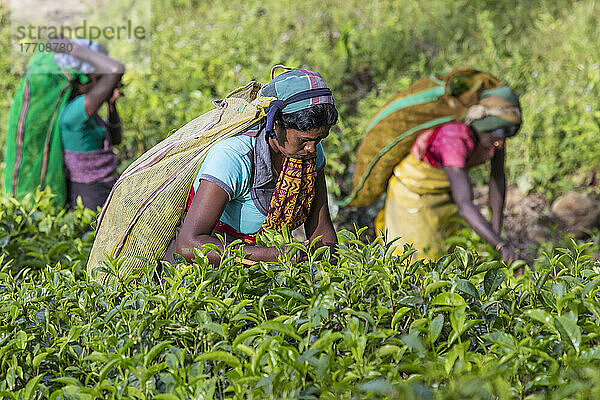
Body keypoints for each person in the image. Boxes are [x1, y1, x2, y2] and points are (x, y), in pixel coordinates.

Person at [163, 68, 339, 265]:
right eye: (304, 140)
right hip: (202, 267)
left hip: (259, 264)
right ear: (277, 123)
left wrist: (331, 272)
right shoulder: (233, 156)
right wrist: (274, 255)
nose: (312, 148)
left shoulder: (309, 152)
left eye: (319, 139)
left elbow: (321, 227)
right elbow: (189, 244)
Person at [375, 86, 522, 262]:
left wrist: (495, 236)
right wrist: (500, 245)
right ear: (483, 125)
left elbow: (497, 178)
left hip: (446, 193)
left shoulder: (494, 140)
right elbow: (464, 204)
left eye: (506, 137)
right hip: (415, 195)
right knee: (418, 261)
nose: (500, 144)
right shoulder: (454, 137)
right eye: (496, 136)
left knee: (448, 258)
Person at [52, 37, 125, 210]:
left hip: (105, 185)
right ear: (82, 80)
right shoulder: (74, 112)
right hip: (89, 193)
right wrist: (71, 48)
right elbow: (116, 69)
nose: (103, 85)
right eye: (98, 78)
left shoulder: (87, 113)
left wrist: (111, 105)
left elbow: (115, 140)